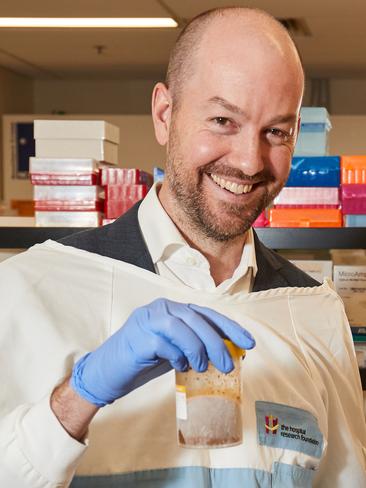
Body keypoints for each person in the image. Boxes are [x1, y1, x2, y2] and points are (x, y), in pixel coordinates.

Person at [0, 6, 365, 488]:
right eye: (222, 120)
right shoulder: (33, 287)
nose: (249, 160)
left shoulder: (314, 311)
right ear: (164, 114)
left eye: (276, 131)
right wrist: (76, 400)